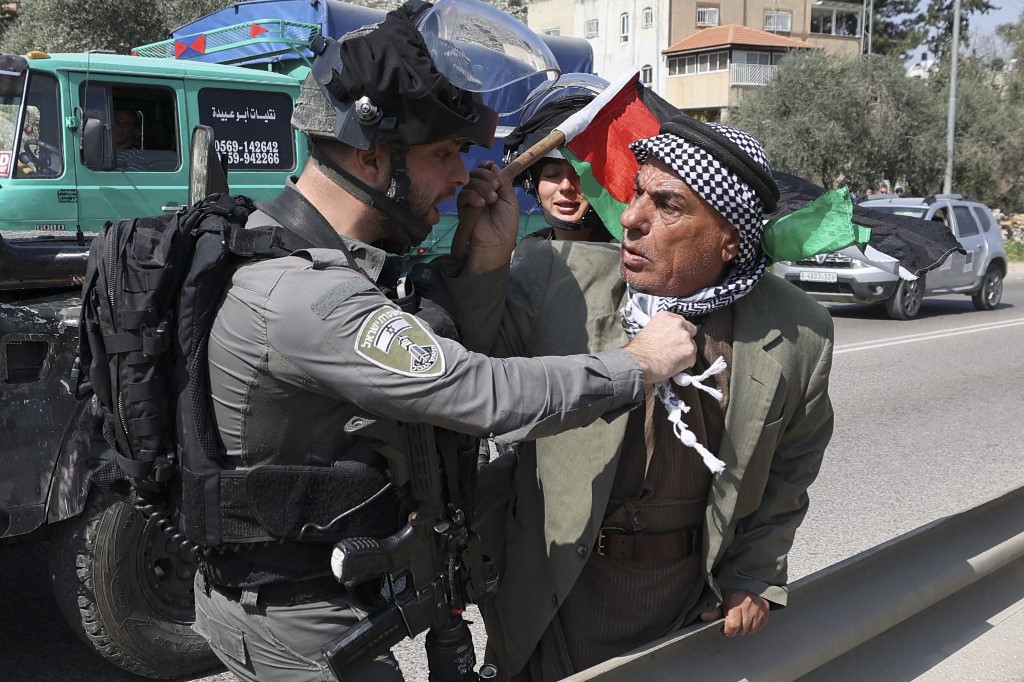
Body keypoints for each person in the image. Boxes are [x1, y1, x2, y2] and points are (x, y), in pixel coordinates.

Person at [189, 5, 696, 682]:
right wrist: (637, 365)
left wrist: (481, 265)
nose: (463, 175)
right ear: (372, 157)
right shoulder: (308, 295)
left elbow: (424, 356)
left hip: (329, 595)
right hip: (302, 623)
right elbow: (476, 391)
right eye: (444, 154)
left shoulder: (331, 254)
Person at [452, 115, 835, 680]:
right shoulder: (556, 276)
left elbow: (793, 464)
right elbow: (466, 371)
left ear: (730, 237)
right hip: (557, 591)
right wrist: (483, 259)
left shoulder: (799, 330)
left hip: (684, 598)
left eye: (668, 205)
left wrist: (754, 574)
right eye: (636, 194)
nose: (630, 218)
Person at [503, 74, 615, 245]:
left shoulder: (633, 261)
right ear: (532, 181)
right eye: (552, 174)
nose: (566, 187)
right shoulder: (522, 256)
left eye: (580, 174)